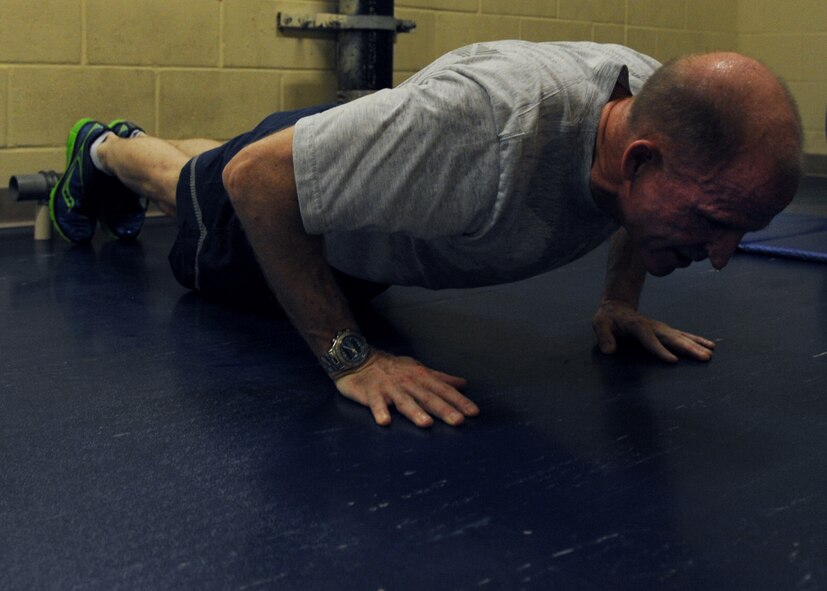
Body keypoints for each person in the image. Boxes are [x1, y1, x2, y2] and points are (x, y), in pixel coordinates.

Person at [48, 41, 803, 429]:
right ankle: (108, 146)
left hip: (365, 198)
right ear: (639, 158)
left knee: (243, 156)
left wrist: (619, 300)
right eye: (711, 224)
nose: (720, 254)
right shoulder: (490, 128)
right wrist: (351, 358)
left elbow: (648, 200)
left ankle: (181, 148)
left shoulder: (651, 107)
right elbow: (258, 182)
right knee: (198, 187)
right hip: (289, 215)